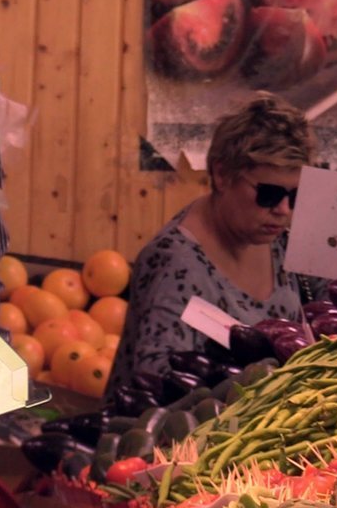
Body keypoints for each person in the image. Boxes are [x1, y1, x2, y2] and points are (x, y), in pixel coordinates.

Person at [106, 92, 325, 395]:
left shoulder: (279, 242)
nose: (283, 210)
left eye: (295, 196)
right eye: (269, 194)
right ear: (222, 174)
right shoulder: (174, 266)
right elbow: (155, 387)